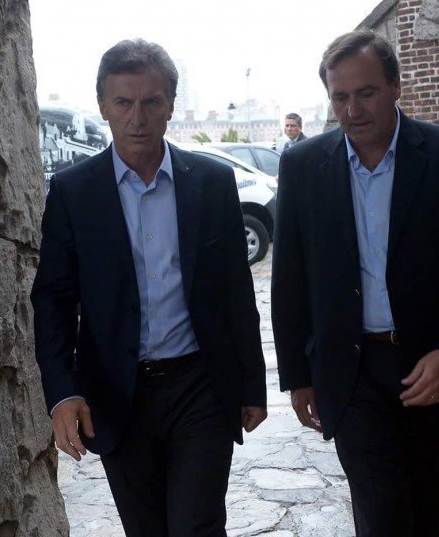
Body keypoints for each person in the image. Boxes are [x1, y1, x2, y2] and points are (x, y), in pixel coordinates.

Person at [272, 30, 439, 536]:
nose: (352, 110)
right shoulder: (303, 166)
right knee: (381, 518)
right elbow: (289, 277)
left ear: (396, 87)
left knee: (424, 517)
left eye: (366, 93)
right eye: (339, 96)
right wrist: (298, 375)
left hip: (433, 371)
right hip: (352, 373)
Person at [31, 38, 267, 537]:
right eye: (123, 102)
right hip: (117, 393)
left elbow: (234, 289)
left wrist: (251, 384)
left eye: (151, 102)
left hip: (200, 385)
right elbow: (53, 299)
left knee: (197, 525)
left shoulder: (211, 183)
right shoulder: (74, 192)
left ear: (170, 106)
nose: (137, 117)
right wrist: (63, 393)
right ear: (103, 105)